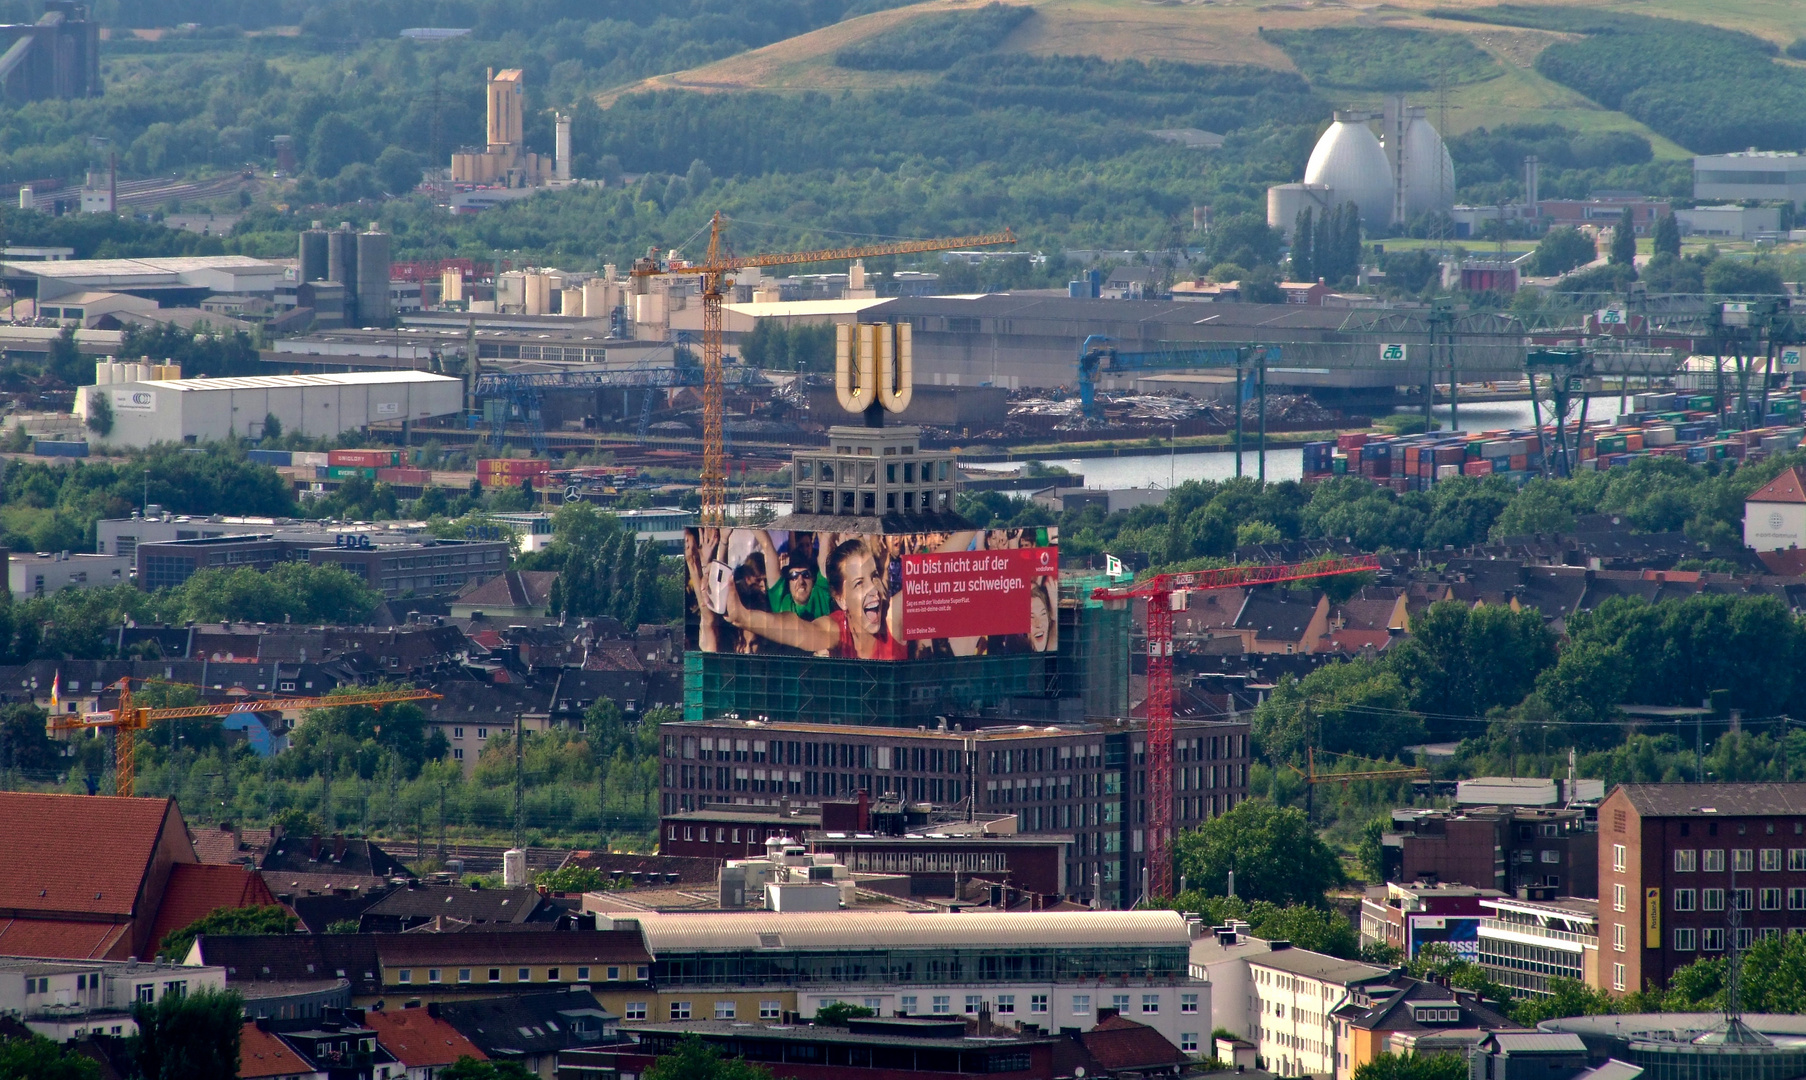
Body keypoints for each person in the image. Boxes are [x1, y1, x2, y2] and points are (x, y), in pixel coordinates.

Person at [721, 537, 908, 660]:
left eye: (874, 576)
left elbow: (934, 572)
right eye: (859, 583)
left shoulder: (892, 616)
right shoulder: (837, 630)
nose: (873, 588)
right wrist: (744, 618)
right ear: (841, 599)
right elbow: (798, 630)